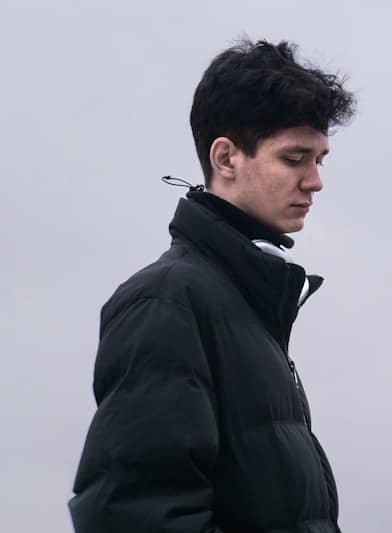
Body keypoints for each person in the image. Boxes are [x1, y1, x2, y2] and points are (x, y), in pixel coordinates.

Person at [69, 39, 355, 533]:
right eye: (295, 159)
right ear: (225, 158)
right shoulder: (167, 301)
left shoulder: (244, 303)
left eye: (320, 160)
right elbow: (133, 518)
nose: (315, 181)